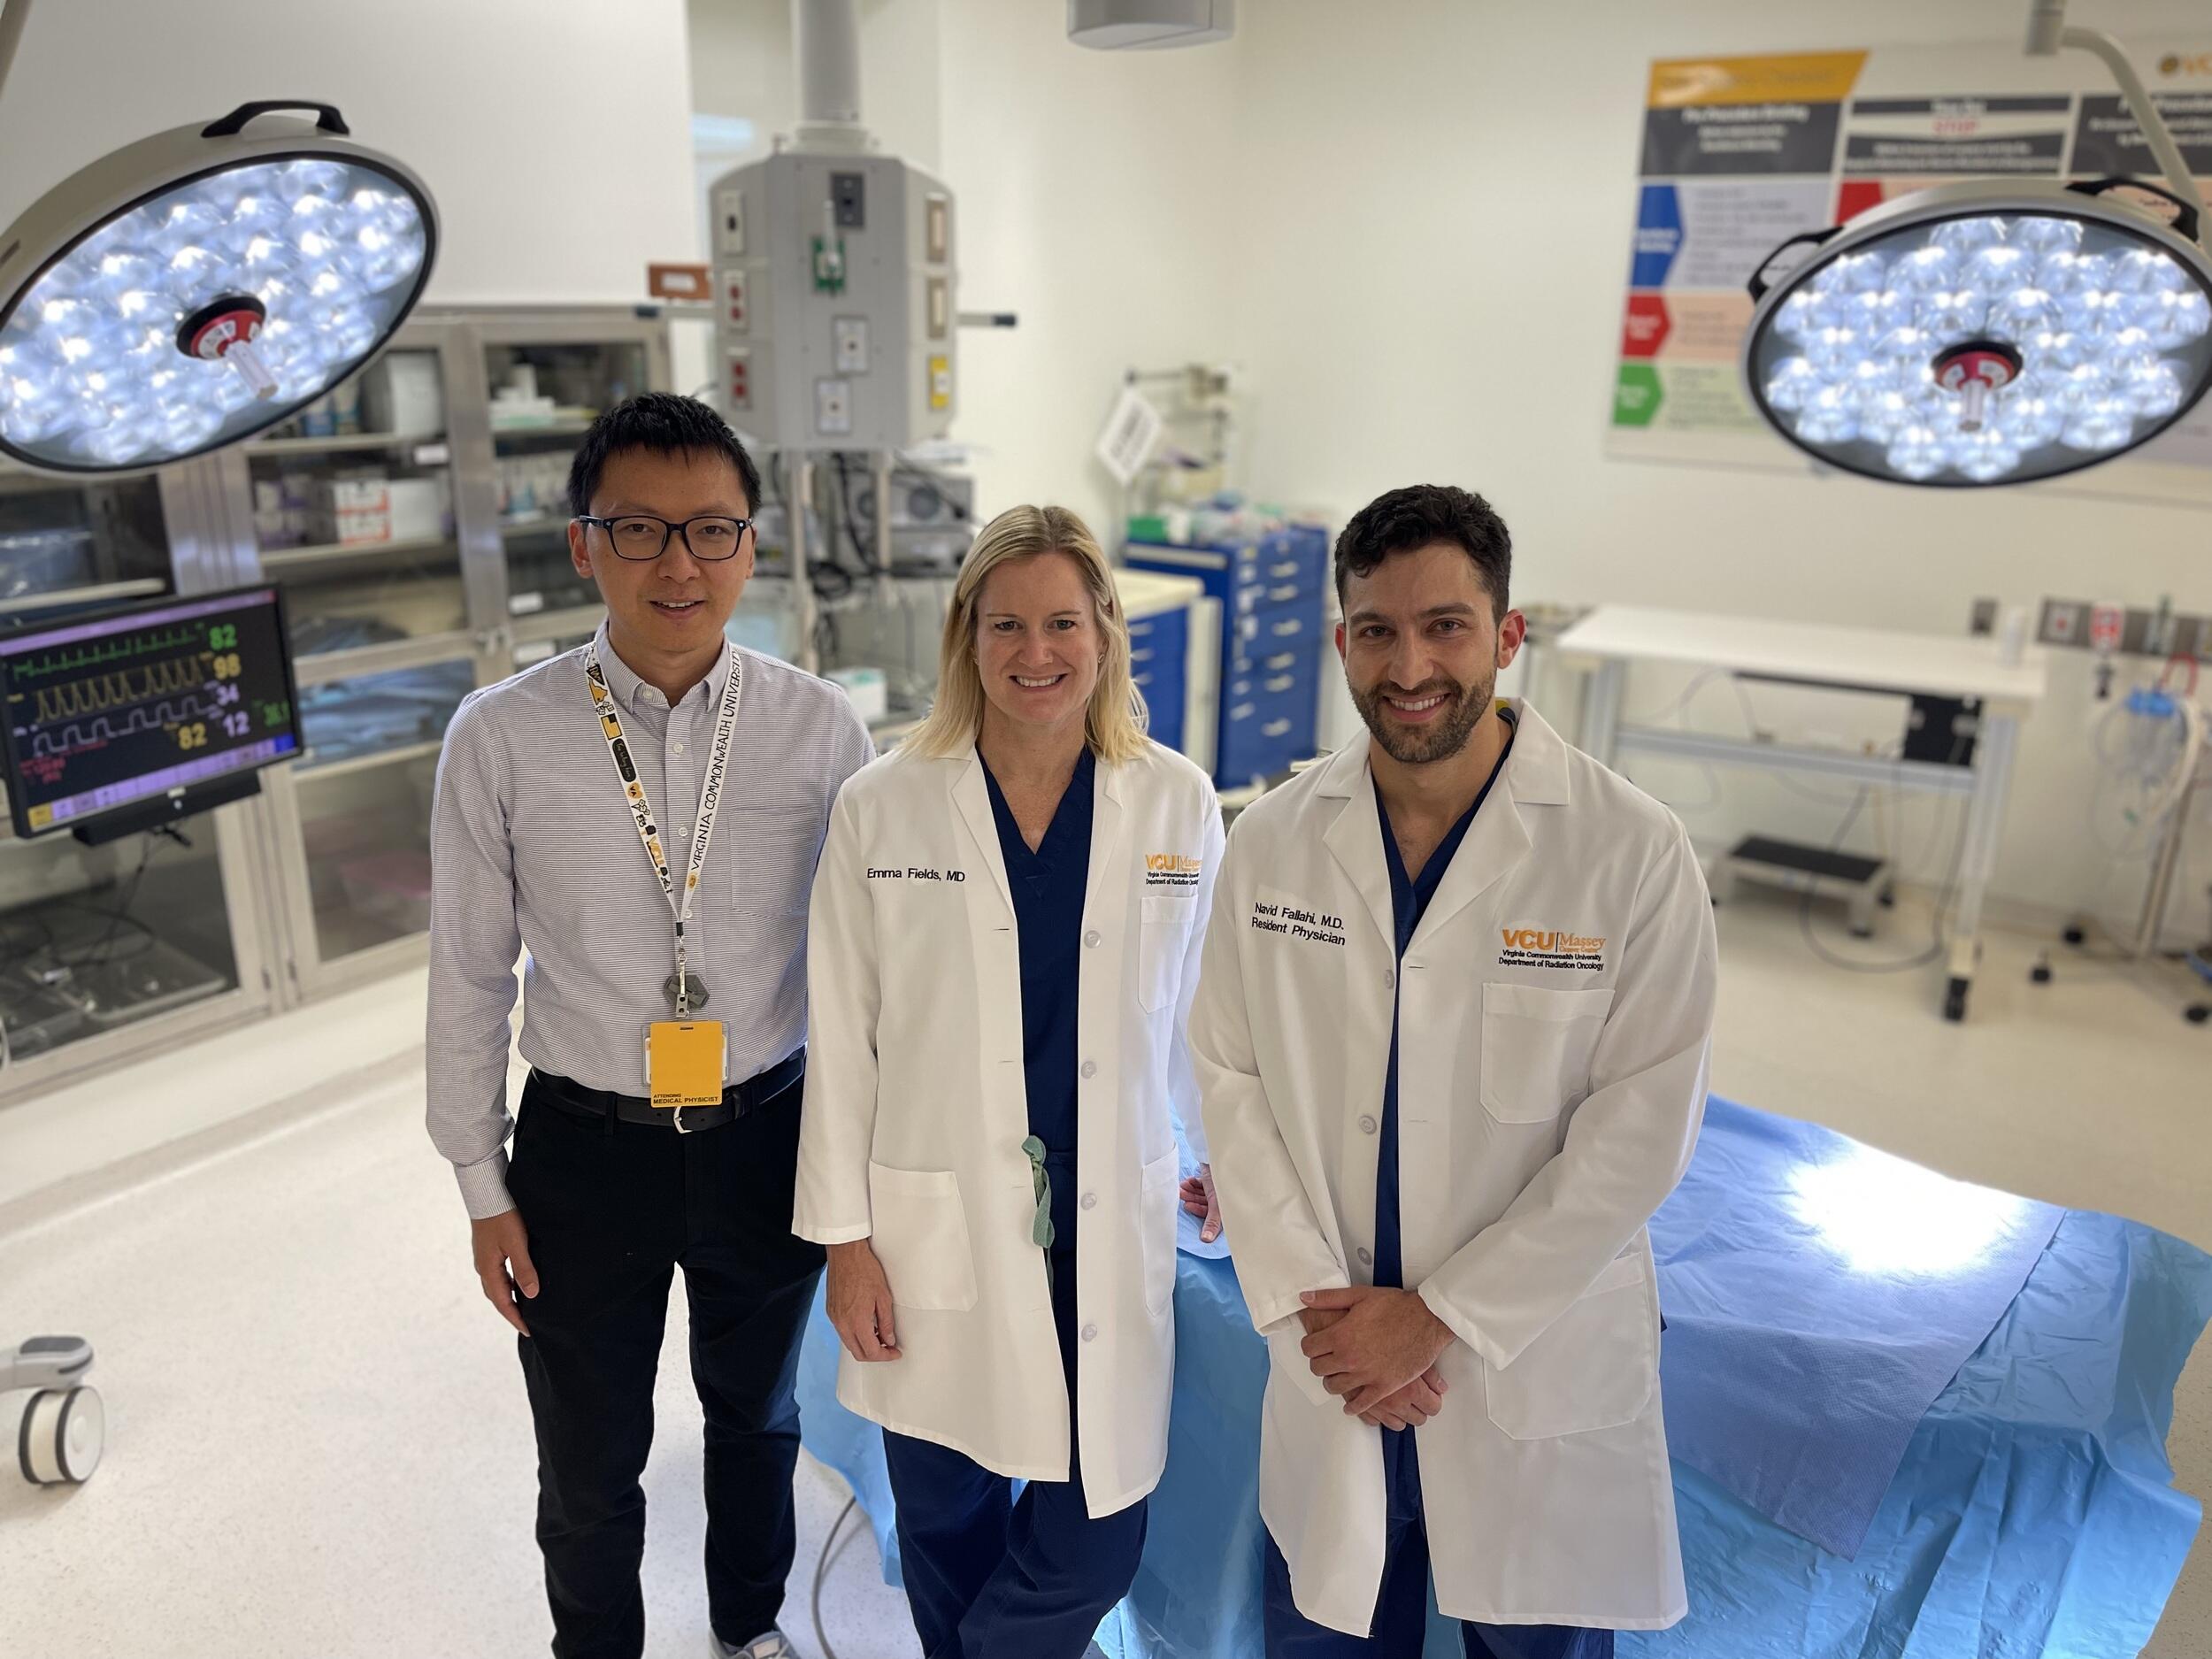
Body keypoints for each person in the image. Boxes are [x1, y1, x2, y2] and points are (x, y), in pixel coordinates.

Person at [1189, 484, 1717, 1656]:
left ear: (1508, 635)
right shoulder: (1272, 841)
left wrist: (1437, 1319)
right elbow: (1226, 1075)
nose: (1410, 664)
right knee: (1330, 1626)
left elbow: (1641, 1134)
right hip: (1332, 1350)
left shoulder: (1627, 852)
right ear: (1341, 644)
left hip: (1519, 1358)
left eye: (1447, 626)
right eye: (1376, 630)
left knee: (1534, 1634)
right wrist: (1325, 1318)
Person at [426, 392, 872, 1659]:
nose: (678, 563)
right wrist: (480, 1185)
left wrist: (859, 1183)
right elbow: (468, 972)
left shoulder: (824, 730)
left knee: (757, 1419)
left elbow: (861, 974)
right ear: (584, 546)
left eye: (711, 531)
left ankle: (748, 1632)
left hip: (768, 1134)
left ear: (750, 544)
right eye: (639, 530)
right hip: (582, 1151)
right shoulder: (500, 738)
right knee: (587, 1458)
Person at [795, 504, 1221, 1659]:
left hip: (1104, 1215)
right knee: (947, 1516)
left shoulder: (1176, 801)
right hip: (934, 1219)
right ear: (965, 637)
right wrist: (845, 1244)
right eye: (1007, 625)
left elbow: (1199, 1010)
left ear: (1106, 634)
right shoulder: (883, 804)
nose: (1038, 654)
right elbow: (843, 1036)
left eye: (1063, 624)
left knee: (1097, 1534)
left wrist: (1221, 1151)